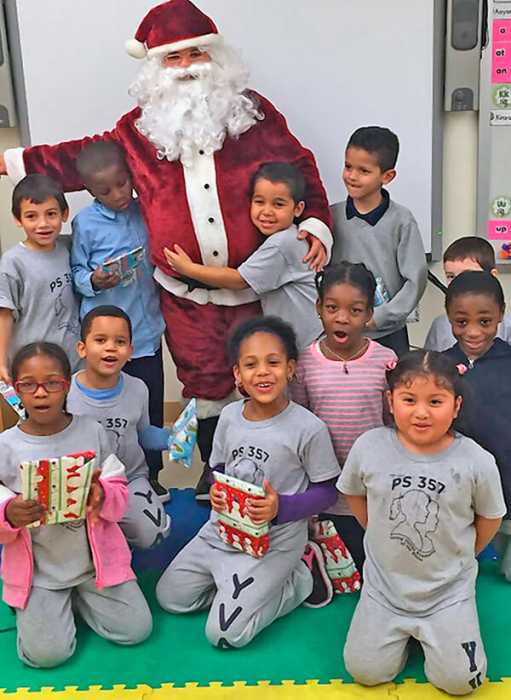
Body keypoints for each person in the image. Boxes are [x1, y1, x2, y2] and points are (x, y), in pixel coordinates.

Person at [0, 0, 332, 498]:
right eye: (173, 58)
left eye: (196, 54)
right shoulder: (138, 132)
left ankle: (272, 466)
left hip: (256, 290)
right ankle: (216, 468)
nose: (186, 67)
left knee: (260, 370)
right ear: (156, 67)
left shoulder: (254, 116)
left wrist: (317, 223)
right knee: (203, 380)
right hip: (184, 298)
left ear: (215, 57)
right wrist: (11, 162)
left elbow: (300, 165)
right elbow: (77, 159)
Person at [156, 316, 341, 647]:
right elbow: (218, 468)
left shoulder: (308, 428)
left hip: (275, 543)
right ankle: (237, 588)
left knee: (225, 635)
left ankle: (300, 578)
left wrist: (280, 508)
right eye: (251, 364)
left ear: (290, 369)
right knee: (171, 598)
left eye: (273, 362)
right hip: (222, 533)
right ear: (238, 374)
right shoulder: (229, 416)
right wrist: (216, 487)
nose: (263, 372)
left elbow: (327, 492)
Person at [337, 350, 505, 695]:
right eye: (409, 399)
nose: (421, 412)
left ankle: (441, 631)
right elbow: (353, 493)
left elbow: (491, 517)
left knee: (463, 682)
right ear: (390, 401)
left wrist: (465, 552)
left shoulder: (476, 460)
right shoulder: (369, 446)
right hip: (384, 589)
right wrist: (378, 530)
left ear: (456, 406)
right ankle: (403, 637)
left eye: (436, 401)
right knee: (365, 671)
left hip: (447, 593)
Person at [0, 342, 152, 668]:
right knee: (46, 656)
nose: (41, 393)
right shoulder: (6, 445)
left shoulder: (91, 431)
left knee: (136, 630)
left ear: (67, 385)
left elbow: (117, 484)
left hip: (94, 567)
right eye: (29, 384)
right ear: (16, 389)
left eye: (52, 383)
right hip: (40, 574)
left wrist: (103, 495)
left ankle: (77, 602)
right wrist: (8, 512)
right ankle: (46, 608)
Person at [71, 141, 167, 500]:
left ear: (131, 175)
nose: (118, 194)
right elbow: (76, 272)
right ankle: (102, 476)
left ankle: (152, 476)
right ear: (90, 192)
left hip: (145, 332)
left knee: (148, 407)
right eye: (105, 191)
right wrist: (94, 280)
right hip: (105, 337)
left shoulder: (147, 210)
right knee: (104, 409)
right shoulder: (85, 224)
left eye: (122, 183)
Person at [291, 262, 397, 571]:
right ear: (319, 307)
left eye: (355, 310)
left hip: (373, 488)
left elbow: (392, 422)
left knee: (376, 566)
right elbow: (299, 423)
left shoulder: (386, 360)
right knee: (336, 571)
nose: (342, 317)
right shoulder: (305, 362)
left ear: (369, 314)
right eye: (332, 307)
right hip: (325, 489)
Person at [164, 162, 323, 351]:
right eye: (259, 202)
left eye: (278, 204)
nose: (267, 211)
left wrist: (189, 269)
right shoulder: (288, 237)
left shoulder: (282, 243)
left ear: (298, 209)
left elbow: (239, 280)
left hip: (308, 345)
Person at [67, 305, 171, 549]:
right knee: (74, 546)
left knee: (153, 534)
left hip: (130, 479)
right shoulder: (66, 394)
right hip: (82, 487)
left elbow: (144, 435)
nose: (111, 347)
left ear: (130, 351)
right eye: (100, 340)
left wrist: (172, 439)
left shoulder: (138, 388)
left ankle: (121, 528)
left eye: (120, 341)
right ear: (82, 348)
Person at [330, 126, 427, 357]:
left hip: (387, 334)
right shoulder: (331, 217)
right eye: (348, 167)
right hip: (340, 331)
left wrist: (380, 317)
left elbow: (415, 280)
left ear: (387, 176)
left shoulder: (402, 221)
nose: (352, 176)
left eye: (363, 170)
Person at [443, 271, 511, 578]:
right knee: (456, 564)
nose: (472, 332)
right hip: (458, 484)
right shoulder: (439, 366)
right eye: (461, 322)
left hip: (507, 478)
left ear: (501, 314)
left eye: (484, 322)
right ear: (448, 316)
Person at [0, 175, 80, 384]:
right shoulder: (12, 262)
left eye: (51, 214)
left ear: (64, 214)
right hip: (35, 367)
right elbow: (4, 315)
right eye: (31, 216)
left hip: (74, 361)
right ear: (18, 219)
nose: (43, 224)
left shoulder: (68, 247)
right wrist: (1, 362)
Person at [424, 236, 511, 351]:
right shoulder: (440, 326)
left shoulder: (507, 327)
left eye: (469, 274)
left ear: (492, 276)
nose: (459, 282)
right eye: (451, 276)